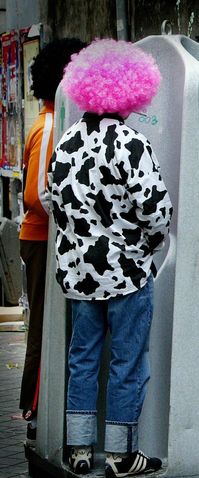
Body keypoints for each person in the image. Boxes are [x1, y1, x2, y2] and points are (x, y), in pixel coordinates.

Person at [48, 39, 172, 478]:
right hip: (128, 273)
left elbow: (55, 204)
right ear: (131, 93)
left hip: (80, 274)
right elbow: (158, 212)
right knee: (127, 361)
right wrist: (143, 245)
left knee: (82, 358)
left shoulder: (65, 144)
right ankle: (121, 457)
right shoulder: (131, 144)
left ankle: (79, 449)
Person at [19, 37, 87, 446]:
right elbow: (36, 195)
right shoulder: (48, 125)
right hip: (44, 240)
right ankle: (34, 410)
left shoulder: (58, 121)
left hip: (50, 240)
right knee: (43, 331)